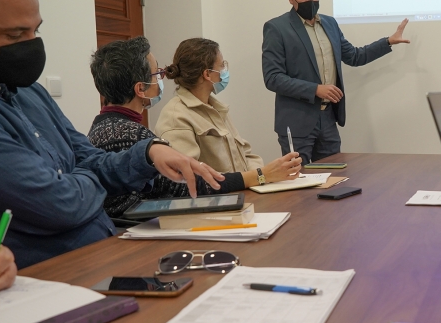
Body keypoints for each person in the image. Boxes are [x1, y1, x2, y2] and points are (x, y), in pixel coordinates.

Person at [0, 0, 224, 269]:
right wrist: (88, 180)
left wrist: (147, 153)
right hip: (49, 279)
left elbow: (89, 161)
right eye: (15, 36)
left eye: (37, 31)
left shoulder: (28, 90)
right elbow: (58, 204)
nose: (32, 45)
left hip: (104, 257)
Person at [87, 37, 292, 218]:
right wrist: (262, 175)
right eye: (157, 73)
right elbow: (189, 186)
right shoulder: (136, 135)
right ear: (141, 88)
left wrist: (264, 176)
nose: (161, 78)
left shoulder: (102, 128)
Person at [262, 0, 410, 163]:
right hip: (297, 123)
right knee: (299, 186)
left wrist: (388, 41)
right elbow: (273, 78)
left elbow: (355, 56)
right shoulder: (277, 28)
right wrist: (315, 89)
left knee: (333, 182)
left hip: (328, 120)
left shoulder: (329, 24)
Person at [155, 37, 302, 183]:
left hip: (245, 194)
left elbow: (246, 156)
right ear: (207, 74)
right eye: (222, 65)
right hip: (217, 202)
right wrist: (261, 176)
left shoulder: (217, 108)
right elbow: (190, 180)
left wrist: (268, 175)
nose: (225, 69)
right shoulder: (175, 117)